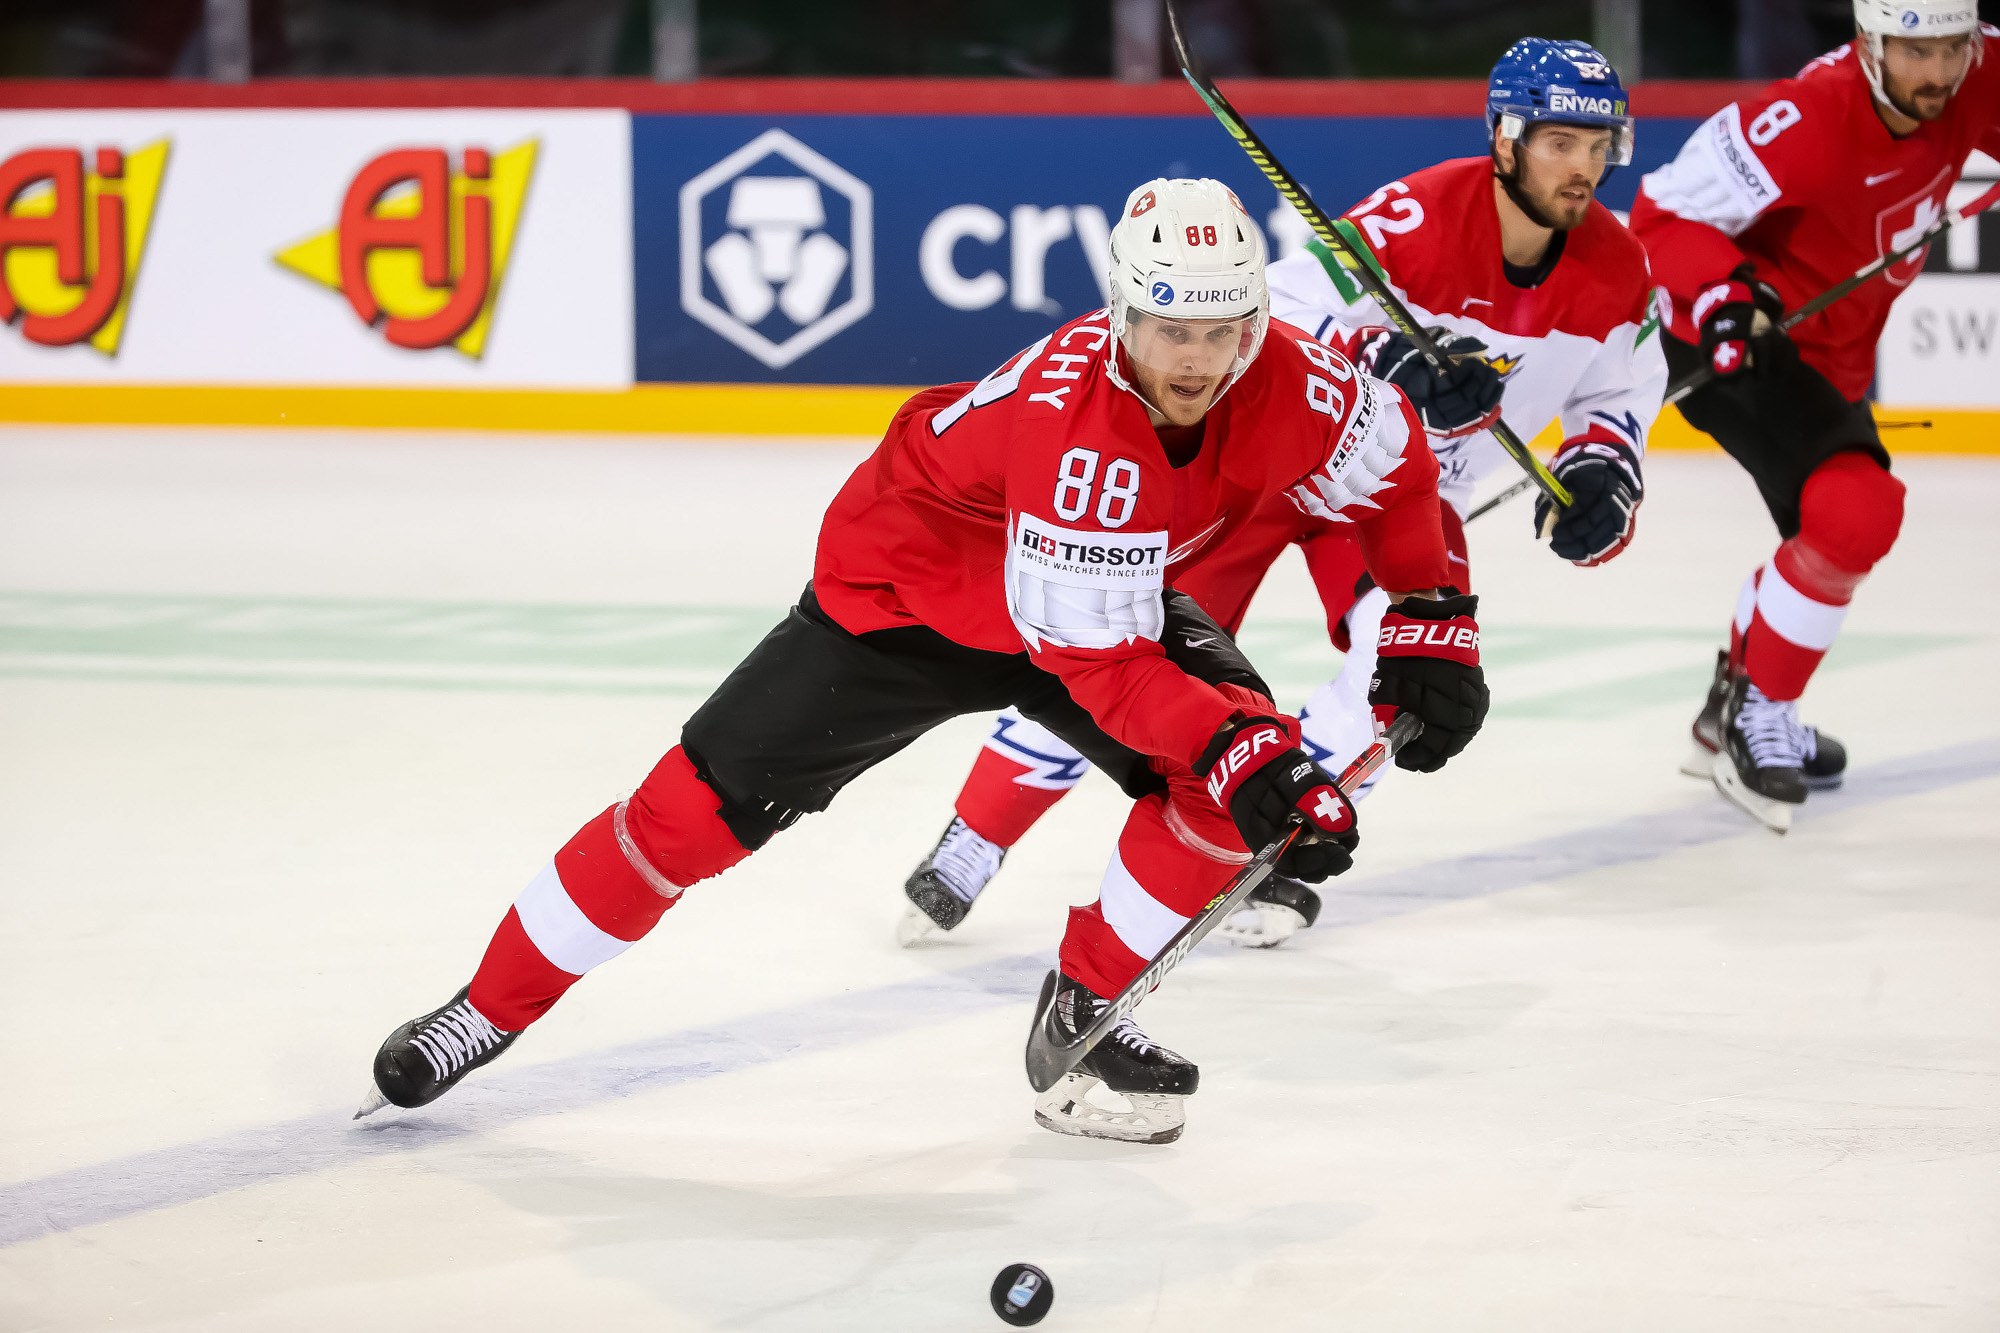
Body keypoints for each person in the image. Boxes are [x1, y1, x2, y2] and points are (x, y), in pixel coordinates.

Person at [359, 177, 1488, 1145]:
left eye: (1220, 329)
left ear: (1254, 317)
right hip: (907, 603)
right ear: (1118, 316)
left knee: (1237, 776)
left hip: (1092, 601)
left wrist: (1435, 612)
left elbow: (1395, 483)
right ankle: (487, 1007)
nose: (1195, 360)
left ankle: (1084, 1020)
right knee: (685, 816)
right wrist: (1243, 748)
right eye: (1166, 329)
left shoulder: (1295, 377)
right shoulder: (1080, 437)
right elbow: (1099, 669)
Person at [898, 37, 1664, 949]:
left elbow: (1617, 394)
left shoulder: (1619, 272)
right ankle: (977, 833)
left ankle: (1273, 838)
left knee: (1413, 648)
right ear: (1506, 138)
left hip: (1395, 495)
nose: (1582, 168)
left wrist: (1600, 476)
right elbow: (1282, 318)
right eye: (1560, 143)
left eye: (1597, 146)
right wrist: (1394, 372)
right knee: (1127, 648)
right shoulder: (1413, 219)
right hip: (1277, 470)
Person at [1630, 0, 1999, 831]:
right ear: (1868, 43)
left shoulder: (1977, 74)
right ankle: (1756, 712)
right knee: (1856, 512)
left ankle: (1733, 702)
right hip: (1742, 339)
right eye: (1915, 52)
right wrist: (1727, 295)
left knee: (1835, 527)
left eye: (1952, 49)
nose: (1937, 73)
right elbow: (1660, 219)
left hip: (1832, 356)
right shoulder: (1798, 120)